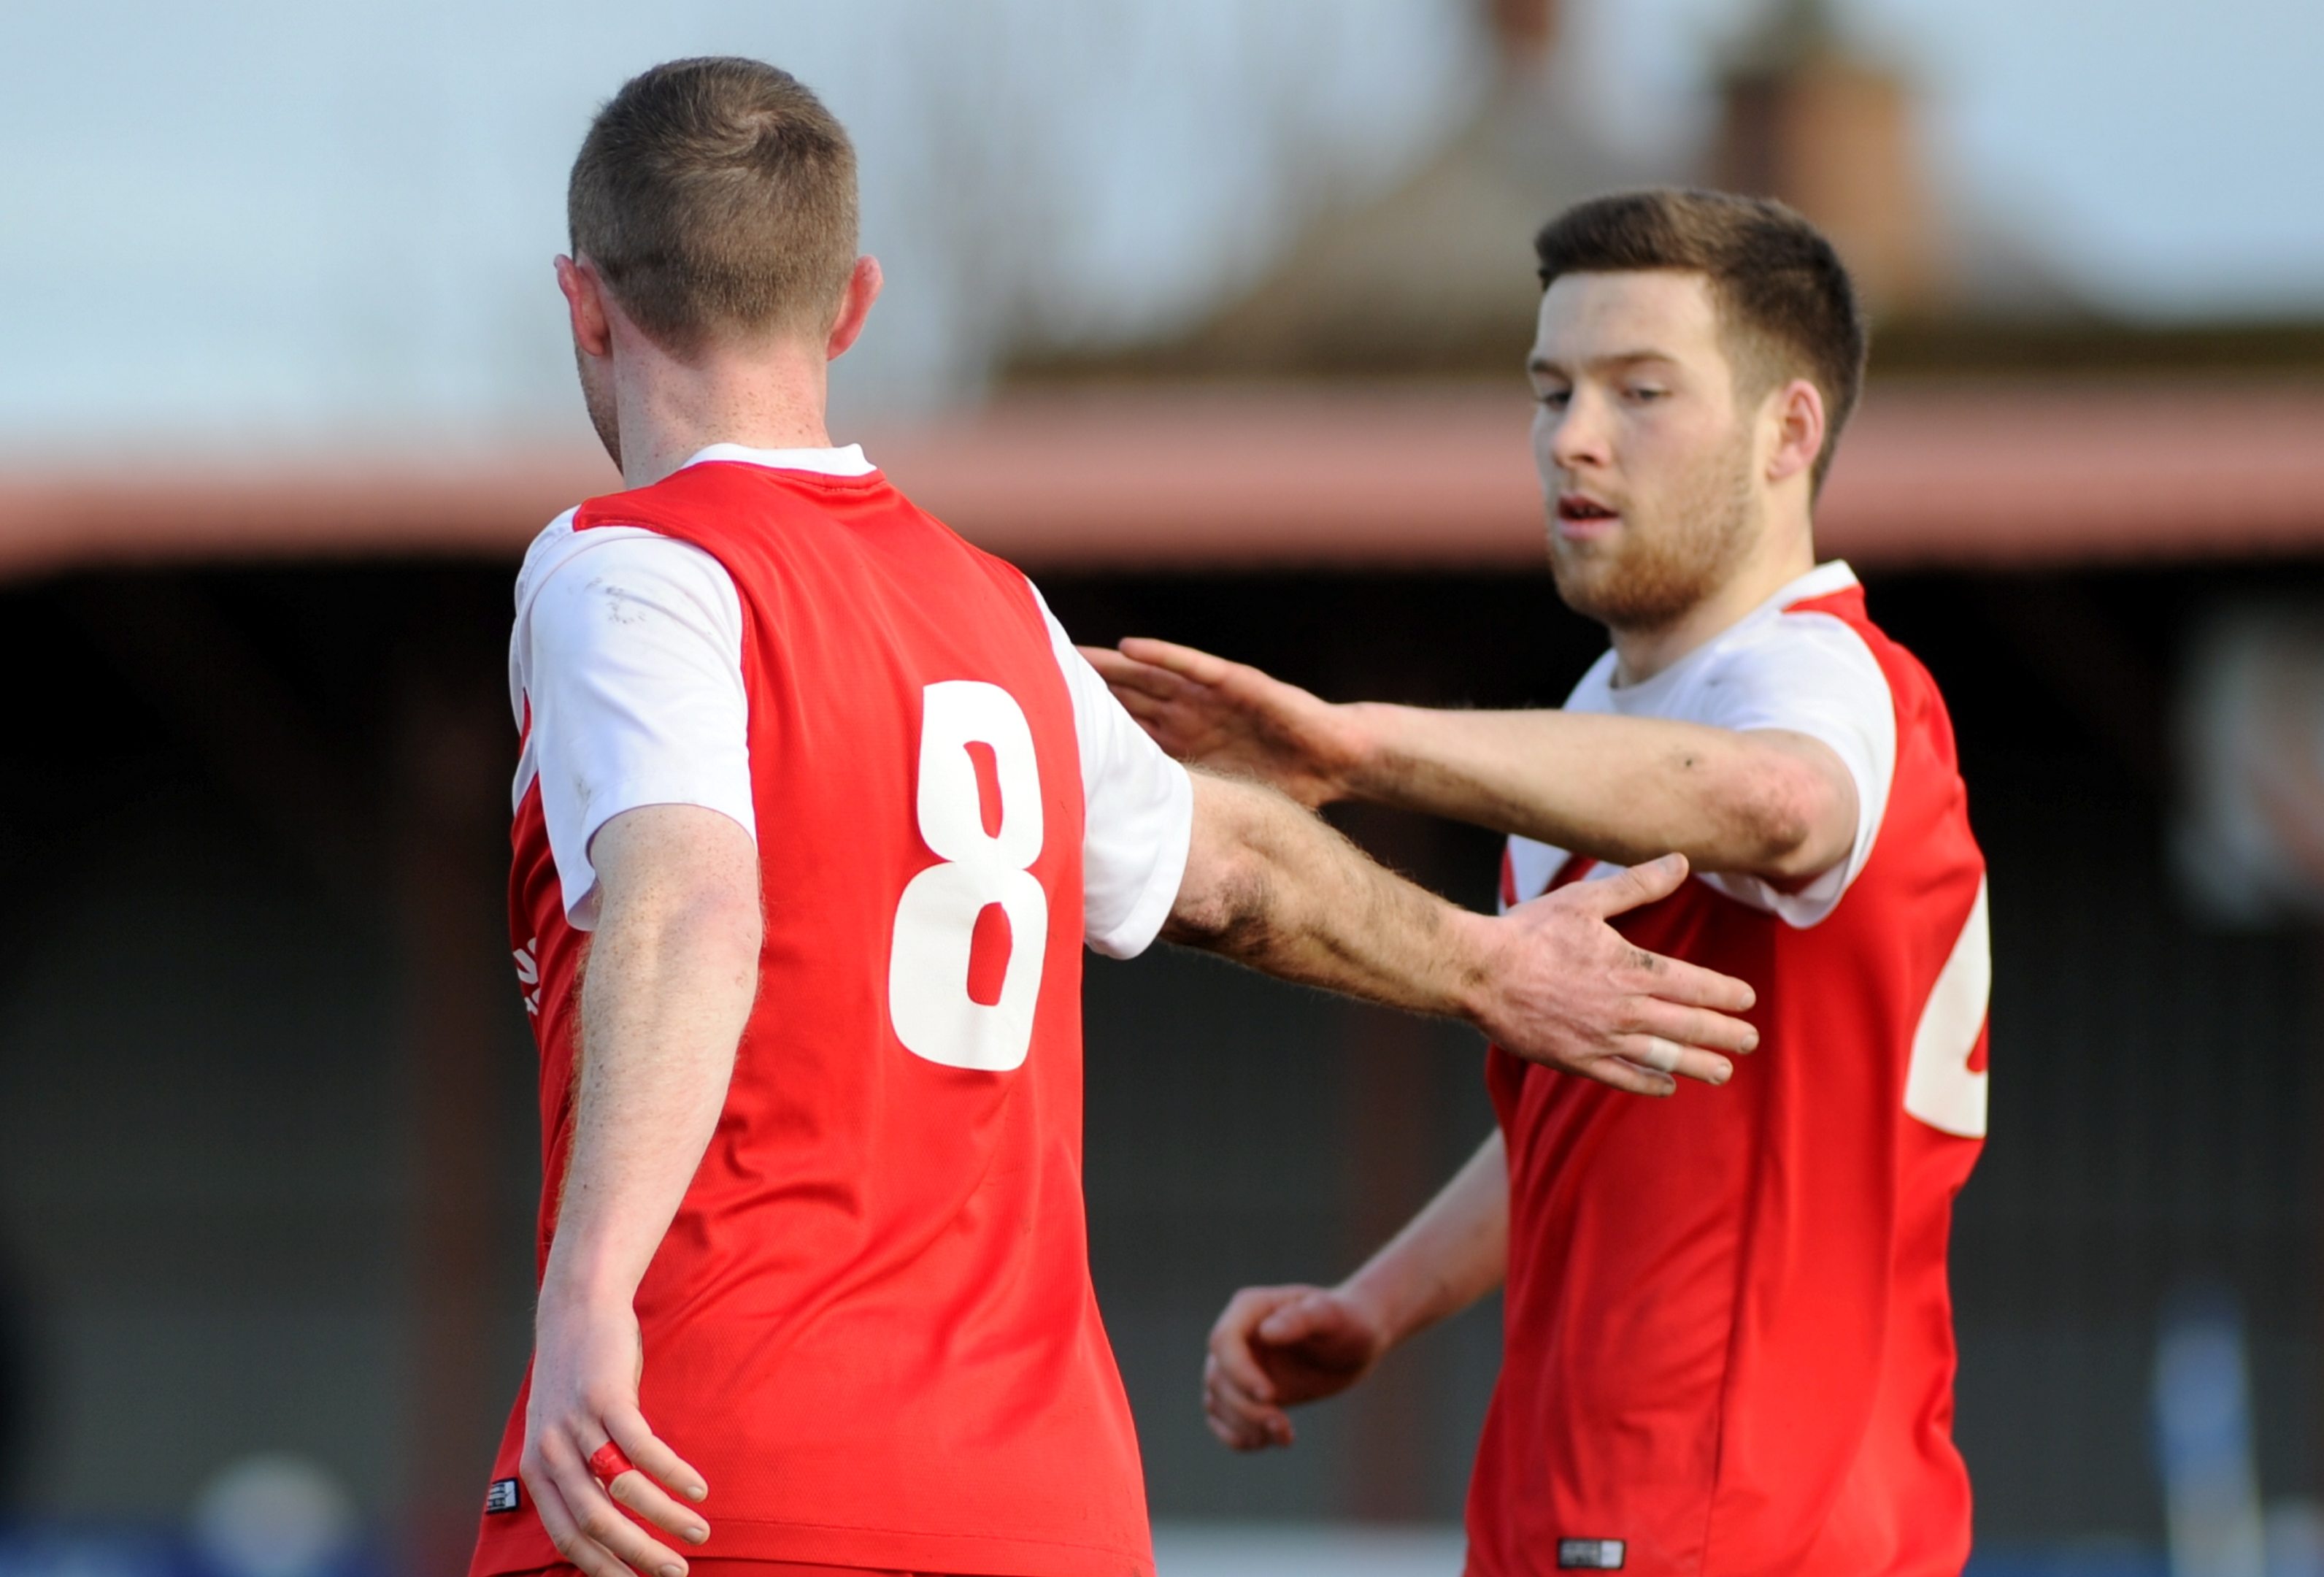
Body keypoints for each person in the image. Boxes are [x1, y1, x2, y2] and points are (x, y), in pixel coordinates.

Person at [469, 67, 1761, 1577]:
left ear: (581, 301)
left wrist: (583, 1301)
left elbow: (689, 906)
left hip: (705, 1475)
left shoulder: (631, 568)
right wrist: (1486, 963)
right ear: (851, 304)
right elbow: (1229, 868)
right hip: (1039, 1508)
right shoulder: (996, 613)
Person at [1088, 189, 1991, 1577]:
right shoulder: (1620, 709)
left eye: (1642, 390)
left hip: (1733, 1514)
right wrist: (1379, 1305)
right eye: (1551, 387)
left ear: (1788, 432)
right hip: (1599, 1495)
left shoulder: (1820, 676)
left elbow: (1781, 800)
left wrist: (1351, 744)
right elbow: (1595, 1108)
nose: (1573, 434)